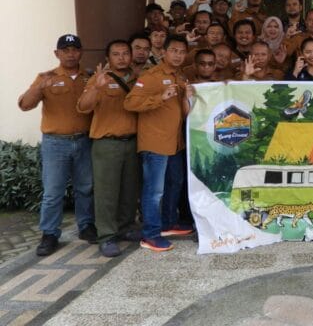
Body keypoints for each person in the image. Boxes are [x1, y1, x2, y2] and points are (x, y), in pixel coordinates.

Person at [18, 34, 96, 256]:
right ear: (57, 54)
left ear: (81, 52)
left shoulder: (89, 77)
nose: (70, 54)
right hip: (55, 144)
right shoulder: (46, 77)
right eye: (65, 50)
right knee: (53, 191)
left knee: (85, 188)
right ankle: (50, 233)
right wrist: (39, 88)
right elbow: (25, 105)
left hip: (84, 140)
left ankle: (86, 226)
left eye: (74, 49)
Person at [124, 34, 194, 252]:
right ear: (163, 52)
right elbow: (130, 102)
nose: (178, 55)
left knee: (175, 183)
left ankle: (167, 223)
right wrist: (160, 97)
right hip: (155, 143)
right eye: (174, 50)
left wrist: (186, 97)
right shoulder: (151, 76)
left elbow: (183, 113)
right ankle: (150, 235)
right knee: (154, 191)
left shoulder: (179, 77)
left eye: (182, 52)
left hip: (175, 142)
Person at [76, 40, 139, 257]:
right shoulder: (99, 78)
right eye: (116, 54)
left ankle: (126, 227)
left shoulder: (137, 78)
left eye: (125, 53)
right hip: (107, 143)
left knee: (129, 190)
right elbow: (83, 107)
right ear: (108, 58)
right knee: (106, 193)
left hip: (132, 142)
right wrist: (96, 87)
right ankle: (107, 236)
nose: (121, 57)